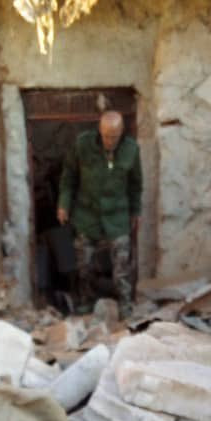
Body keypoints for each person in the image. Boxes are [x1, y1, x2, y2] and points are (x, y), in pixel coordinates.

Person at [57, 110, 142, 318]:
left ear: (122, 132)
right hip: (88, 215)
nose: (109, 141)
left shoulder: (131, 150)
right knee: (84, 264)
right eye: (106, 136)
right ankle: (87, 301)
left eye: (114, 137)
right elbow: (69, 177)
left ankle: (125, 304)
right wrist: (63, 204)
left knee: (122, 265)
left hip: (117, 216)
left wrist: (136, 211)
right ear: (99, 130)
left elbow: (135, 185)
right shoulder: (82, 145)